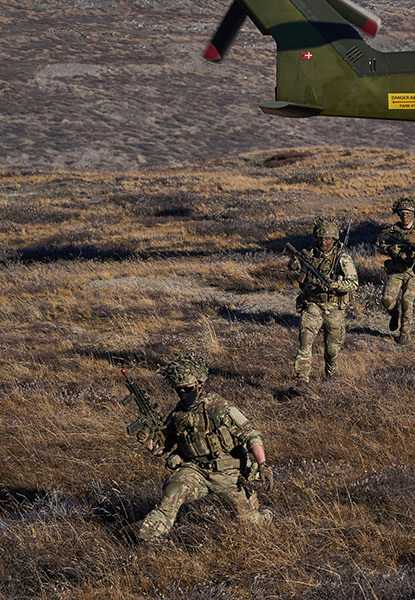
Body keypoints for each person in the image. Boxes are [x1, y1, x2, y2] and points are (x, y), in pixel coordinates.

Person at [135, 352, 272, 542]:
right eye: (179, 390)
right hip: (195, 471)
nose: (183, 394)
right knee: (172, 492)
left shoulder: (219, 408)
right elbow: (162, 447)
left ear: (200, 384)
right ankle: (148, 539)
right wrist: (149, 441)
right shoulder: (178, 414)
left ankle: (264, 517)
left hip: (226, 473)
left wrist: (263, 465)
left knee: (250, 526)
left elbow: (251, 435)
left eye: (188, 389)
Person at [287, 218, 358, 394]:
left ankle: (330, 375)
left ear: (333, 239)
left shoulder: (342, 258)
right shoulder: (310, 255)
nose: (323, 242)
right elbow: (293, 266)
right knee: (305, 340)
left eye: (327, 239)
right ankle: (302, 381)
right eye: (320, 239)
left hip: (334, 308)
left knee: (332, 350)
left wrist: (335, 285)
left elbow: (353, 283)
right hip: (313, 305)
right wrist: (295, 262)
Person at [376, 197, 415, 343]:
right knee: (386, 300)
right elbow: (380, 246)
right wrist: (389, 248)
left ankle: (404, 333)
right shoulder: (392, 231)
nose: (405, 217)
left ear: (413, 215)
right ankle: (394, 314)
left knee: (407, 301)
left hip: (413, 272)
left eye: (408, 214)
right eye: (402, 213)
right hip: (396, 271)